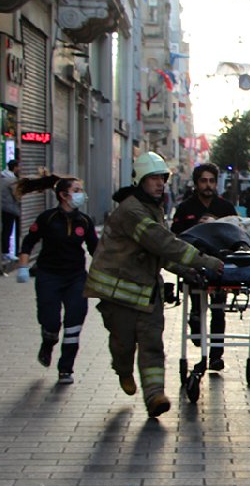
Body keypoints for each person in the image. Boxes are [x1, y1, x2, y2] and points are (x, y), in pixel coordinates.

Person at [84, 152, 224, 418]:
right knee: (123, 345)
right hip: (120, 294)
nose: (160, 184)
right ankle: (123, 370)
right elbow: (162, 242)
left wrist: (187, 270)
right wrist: (204, 261)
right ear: (139, 180)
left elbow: (158, 254)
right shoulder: (132, 211)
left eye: (162, 178)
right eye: (153, 179)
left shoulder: (152, 208)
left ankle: (154, 396)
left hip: (148, 292)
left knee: (152, 346)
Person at [14, 173, 99, 384]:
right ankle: (48, 341)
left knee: (74, 323)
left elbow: (96, 250)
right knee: (50, 321)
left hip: (76, 278)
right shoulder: (47, 218)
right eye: (77, 191)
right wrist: (23, 267)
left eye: (81, 190)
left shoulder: (85, 221)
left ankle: (66, 368)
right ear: (63, 195)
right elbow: (28, 241)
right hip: (48, 276)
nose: (81, 195)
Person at [170, 163, 238, 371]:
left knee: (218, 310)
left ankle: (216, 355)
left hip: (219, 265)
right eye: (203, 181)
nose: (208, 185)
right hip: (194, 265)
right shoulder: (185, 208)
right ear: (196, 183)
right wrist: (196, 227)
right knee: (198, 306)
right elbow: (175, 236)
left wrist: (218, 224)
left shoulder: (225, 207)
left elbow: (236, 235)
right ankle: (196, 327)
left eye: (211, 181)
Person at [0, 159, 22, 260]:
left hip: (1, 207)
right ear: (15, 167)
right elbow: (16, 194)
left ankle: (4, 251)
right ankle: (6, 252)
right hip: (9, 208)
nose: (20, 168)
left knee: (4, 229)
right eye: (19, 166)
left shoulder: (2, 177)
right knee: (7, 230)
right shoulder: (12, 180)